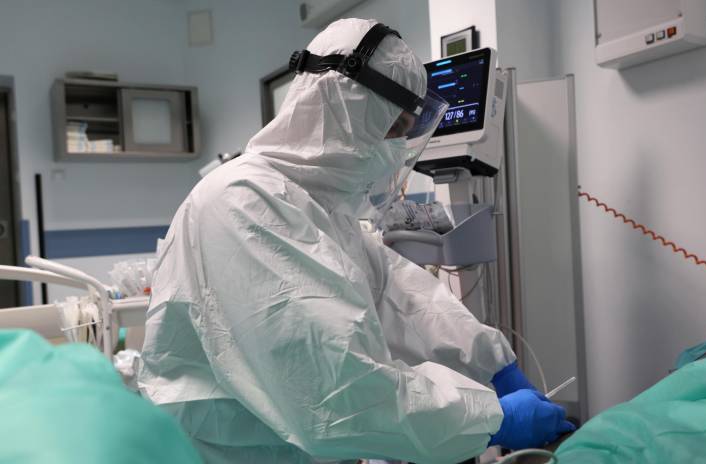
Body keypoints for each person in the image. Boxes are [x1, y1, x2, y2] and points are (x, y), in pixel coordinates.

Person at [138, 18, 574, 464]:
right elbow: (337, 393)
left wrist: (491, 361)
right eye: (395, 128)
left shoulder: (321, 207)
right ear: (344, 107)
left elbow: (401, 297)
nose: (398, 147)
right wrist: (492, 418)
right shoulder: (246, 202)